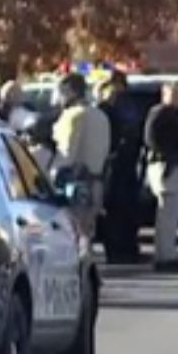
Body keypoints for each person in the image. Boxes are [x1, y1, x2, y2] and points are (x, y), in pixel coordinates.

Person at [53, 73, 112, 240]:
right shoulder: (101, 116)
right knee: (87, 235)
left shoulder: (73, 116)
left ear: (70, 91)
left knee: (72, 236)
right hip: (97, 183)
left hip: (75, 186)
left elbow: (66, 154)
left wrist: (49, 181)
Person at [143, 83, 178, 272]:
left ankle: (165, 252)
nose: (177, 98)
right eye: (173, 94)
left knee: (167, 214)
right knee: (168, 214)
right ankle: (166, 255)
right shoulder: (163, 114)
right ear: (164, 94)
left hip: (167, 165)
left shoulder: (170, 115)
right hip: (167, 166)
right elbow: (152, 140)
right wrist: (169, 155)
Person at [100, 71, 146, 264]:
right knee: (117, 210)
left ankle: (126, 247)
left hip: (125, 164)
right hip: (116, 165)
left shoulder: (126, 106)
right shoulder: (107, 109)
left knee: (125, 209)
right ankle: (118, 248)